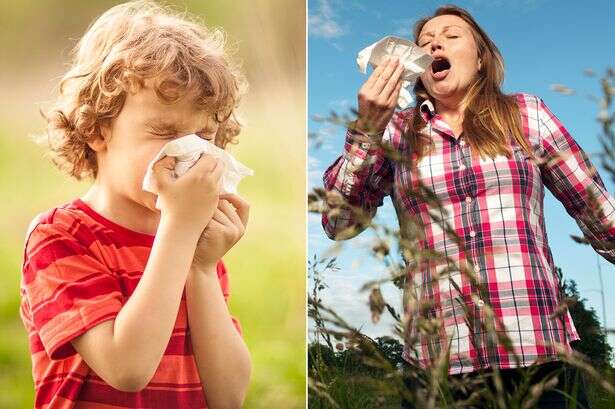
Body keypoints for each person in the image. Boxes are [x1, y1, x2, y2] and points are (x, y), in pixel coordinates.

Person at [322, 4, 614, 408]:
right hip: (438, 362)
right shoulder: (396, 132)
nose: (434, 41)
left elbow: (600, 213)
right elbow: (338, 221)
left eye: (451, 35)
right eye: (424, 41)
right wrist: (368, 128)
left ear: (481, 58)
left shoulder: (526, 115)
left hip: (535, 352)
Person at [19, 1, 251, 407]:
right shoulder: (59, 237)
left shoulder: (196, 245)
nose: (189, 153)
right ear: (96, 129)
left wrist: (201, 268)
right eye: (165, 132)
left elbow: (229, 396)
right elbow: (126, 368)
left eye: (205, 136)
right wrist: (181, 231)